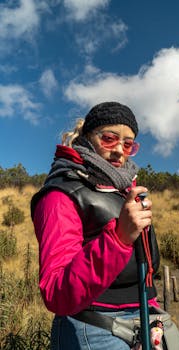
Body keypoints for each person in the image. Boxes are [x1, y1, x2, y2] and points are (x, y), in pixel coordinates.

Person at [31, 101, 160, 350]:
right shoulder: (59, 195)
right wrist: (119, 238)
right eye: (109, 139)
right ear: (88, 137)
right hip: (93, 328)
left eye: (128, 144)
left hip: (144, 318)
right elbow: (56, 291)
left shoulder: (123, 190)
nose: (119, 151)